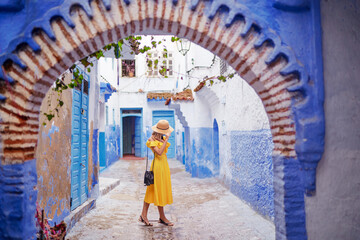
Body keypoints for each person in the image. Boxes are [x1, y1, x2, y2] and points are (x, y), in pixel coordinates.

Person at [139, 119, 174, 226]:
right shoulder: (151, 140)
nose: (166, 134)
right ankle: (146, 215)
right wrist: (166, 139)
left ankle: (157, 216)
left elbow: (164, 150)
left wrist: (164, 140)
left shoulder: (161, 139)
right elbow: (159, 152)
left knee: (159, 190)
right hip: (157, 166)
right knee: (153, 190)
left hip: (164, 166)